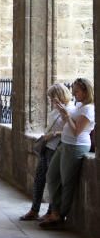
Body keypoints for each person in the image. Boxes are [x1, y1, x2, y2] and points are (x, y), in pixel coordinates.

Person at [41, 78, 95, 229]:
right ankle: (55, 211)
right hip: (65, 144)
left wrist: (65, 114)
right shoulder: (79, 105)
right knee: (51, 176)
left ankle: (59, 216)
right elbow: (69, 125)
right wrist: (64, 114)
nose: (74, 94)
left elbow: (77, 131)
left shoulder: (89, 109)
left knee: (67, 182)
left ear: (86, 91)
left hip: (76, 146)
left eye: (77, 91)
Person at [20, 83, 74, 221]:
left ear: (60, 95)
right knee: (39, 179)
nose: (51, 100)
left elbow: (72, 131)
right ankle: (34, 209)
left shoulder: (70, 109)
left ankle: (51, 211)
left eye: (52, 97)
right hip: (47, 147)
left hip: (57, 148)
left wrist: (55, 133)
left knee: (53, 182)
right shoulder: (55, 109)